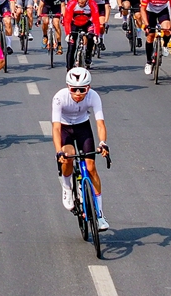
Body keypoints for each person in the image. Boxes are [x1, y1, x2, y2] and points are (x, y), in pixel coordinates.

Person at [52, 67, 110, 231]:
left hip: (83, 127)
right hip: (65, 128)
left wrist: (103, 143)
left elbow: (100, 123)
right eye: (74, 89)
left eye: (82, 89)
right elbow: (56, 128)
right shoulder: (59, 98)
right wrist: (59, 151)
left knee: (91, 167)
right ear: (68, 87)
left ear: (88, 88)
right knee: (68, 155)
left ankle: (99, 215)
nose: (78, 93)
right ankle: (67, 186)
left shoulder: (94, 96)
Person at [138, 0, 171, 74]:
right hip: (150, 12)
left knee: (167, 28)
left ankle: (165, 45)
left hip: (162, 11)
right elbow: (142, 9)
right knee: (150, 36)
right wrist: (146, 24)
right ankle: (148, 62)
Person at [63, 0, 102, 70]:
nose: (81, 0)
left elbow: (96, 20)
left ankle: (88, 56)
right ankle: (69, 68)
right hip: (74, 24)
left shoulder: (92, 3)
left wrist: (96, 34)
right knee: (71, 45)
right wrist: (67, 34)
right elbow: (67, 20)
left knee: (91, 37)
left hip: (87, 23)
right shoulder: (72, 3)